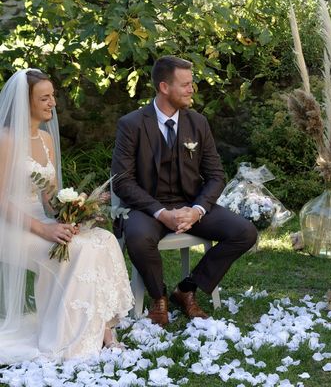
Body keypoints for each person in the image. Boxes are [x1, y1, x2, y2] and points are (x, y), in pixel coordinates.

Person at [111, 55, 257, 326]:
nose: (192, 89)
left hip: (190, 202)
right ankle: (159, 298)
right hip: (147, 206)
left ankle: (187, 289)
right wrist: (160, 212)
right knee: (138, 238)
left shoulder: (198, 123)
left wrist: (197, 209)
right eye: (185, 84)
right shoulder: (131, 124)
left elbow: (215, 175)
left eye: (192, 83)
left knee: (244, 232)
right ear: (164, 87)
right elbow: (122, 181)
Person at [0, 69, 133, 364]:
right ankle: (69, 335)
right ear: (25, 103)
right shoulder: (5, 140)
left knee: (102, 239)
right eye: (44, 98)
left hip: (41, 220)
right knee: (77, 251)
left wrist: (77, 211)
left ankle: (103, 328)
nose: (53, 104)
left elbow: (51, 198)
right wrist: (44, 230)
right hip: (11, 225)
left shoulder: (46, 139)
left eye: (53, 96)